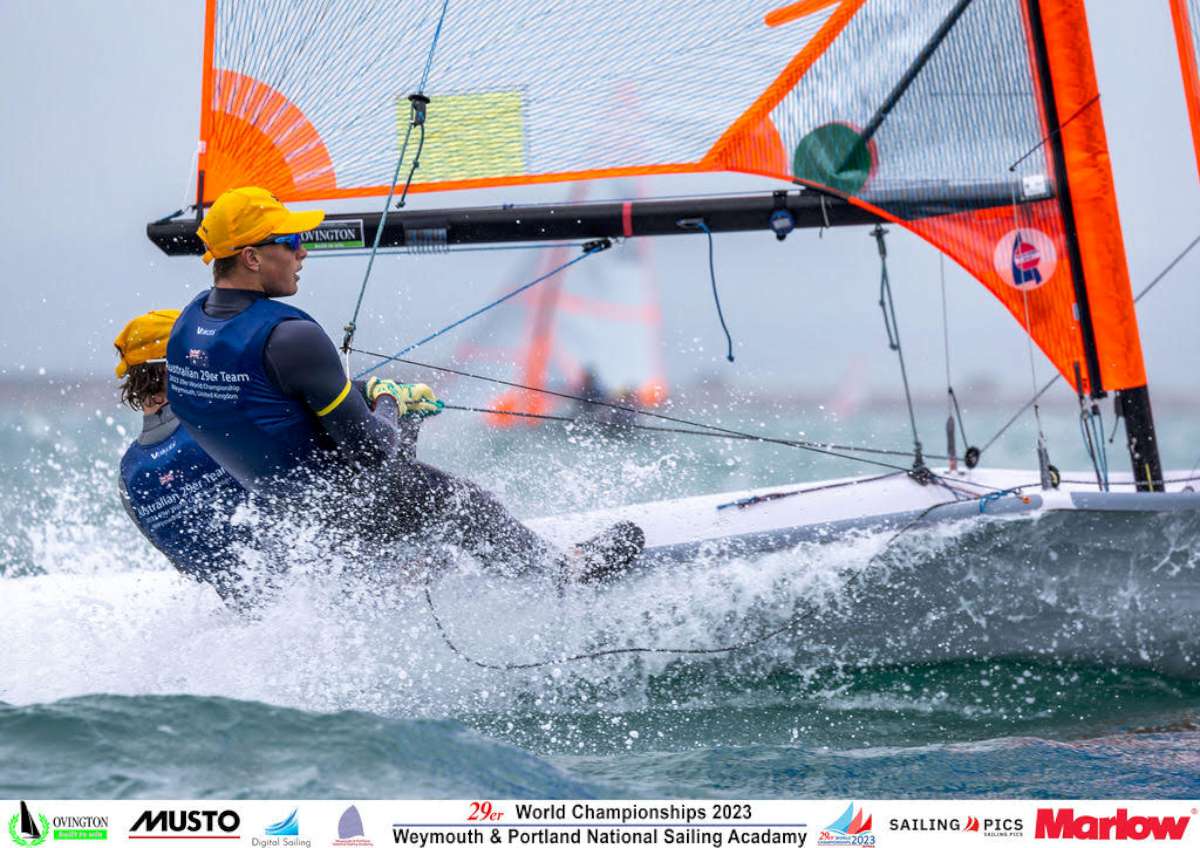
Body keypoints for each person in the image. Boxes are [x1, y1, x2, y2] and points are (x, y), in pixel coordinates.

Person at [166, 186, 643, 582]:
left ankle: (410, 563)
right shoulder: (291, 336)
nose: (303, 251)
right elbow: (373, 452)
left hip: (295, 517)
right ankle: (561, 573)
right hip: (349, 508)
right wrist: (391, 400)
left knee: (388, 443)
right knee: (460, 501)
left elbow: (265, 402)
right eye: (291, 241)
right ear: (251, 257)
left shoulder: (187, 327)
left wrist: (364, 395)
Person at [115, 309, 250, 601]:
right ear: (169, 367)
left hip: (250, 615)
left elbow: (188, 565)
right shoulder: (218, 421)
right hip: (312, 585)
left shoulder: (129, 476)